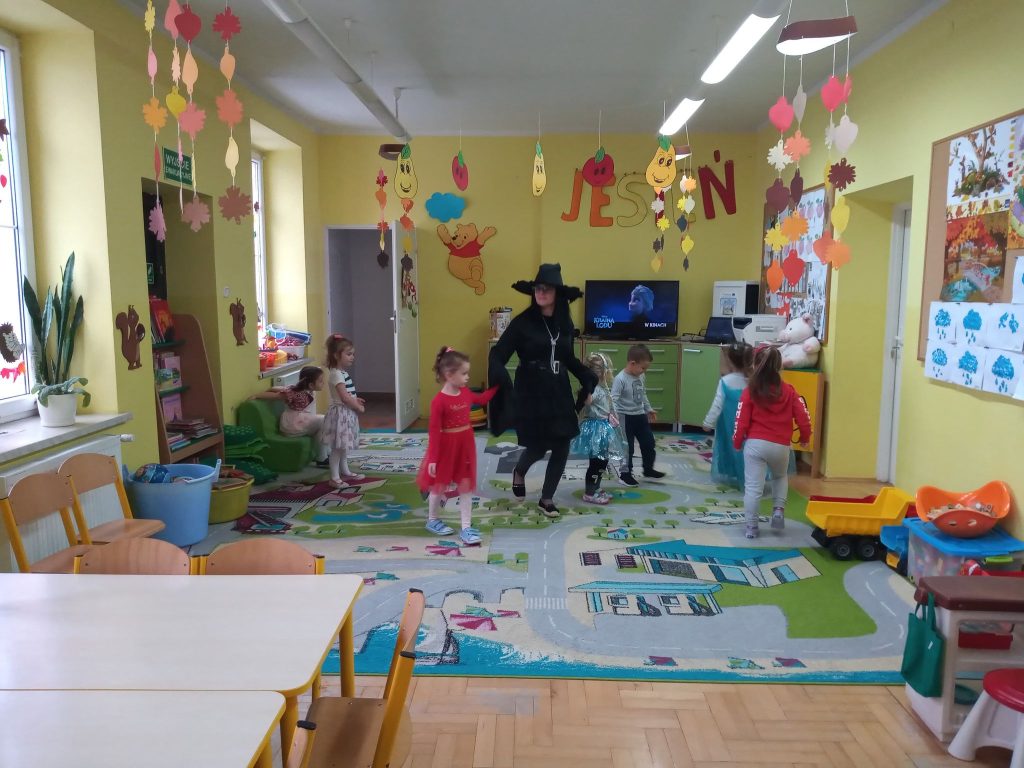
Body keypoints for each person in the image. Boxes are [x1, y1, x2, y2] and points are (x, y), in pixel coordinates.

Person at [489, 263, 597, 518]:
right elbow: (498, 354)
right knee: (537, 447)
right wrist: (501, 377)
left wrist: (586, 376)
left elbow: (568, 358)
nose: (541, 293)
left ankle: (547, 498)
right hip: (531, 390)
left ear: (557, 293)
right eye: (538, 288)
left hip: (558, 390)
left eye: (546, 289)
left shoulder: (564, 324)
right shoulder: (522, 323)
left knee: (561, 445)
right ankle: (519, 471)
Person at [417, 347, 497, 545]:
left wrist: (498, 387)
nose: (467, 377)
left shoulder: (466, 392)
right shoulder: (438, 402)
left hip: (465, 446)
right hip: (446, 448)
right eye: (464, 373)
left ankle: (466, 527)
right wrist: (433, 459)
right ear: (449, 374)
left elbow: (481, 399)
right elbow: (434, 432)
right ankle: (432, 519)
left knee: (465, 485)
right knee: (439, 485)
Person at [733, 345, 811, 539]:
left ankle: (751, 527)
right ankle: (778, 510)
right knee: (780, 476)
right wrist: (805, 437)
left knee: (753, 488)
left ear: (754, 364)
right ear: (779, 366)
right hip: (781, 446)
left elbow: (741, 420)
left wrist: (737, 442)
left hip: (755, 445)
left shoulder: (750, 391)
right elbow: (803, 417)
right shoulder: (789, 391)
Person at [571, 352, 626, 505]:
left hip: (604, 427)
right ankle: (590, 492)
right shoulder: (594, 389)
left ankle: (596, 487)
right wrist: (588, 387)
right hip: (596, 429)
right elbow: (587, 401)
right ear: (603, 372)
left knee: (602, 461)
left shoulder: (602, 387)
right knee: (596, 462)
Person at [248, 365, 329, 466]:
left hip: (301, 421)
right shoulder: (298, 394)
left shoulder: (304, 391)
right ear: (311, 385)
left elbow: (283, 389)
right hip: (292, 424)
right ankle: (321, 458)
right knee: (324, 420)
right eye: (321, 381)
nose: (323, 383)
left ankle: (323, 455)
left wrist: (272, 388)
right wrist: (257, 395)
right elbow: (277, 396)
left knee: (325, 423)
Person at [612, 344, 665, 486]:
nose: (644, 371)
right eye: (643, 368)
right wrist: (614, 417)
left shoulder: (641, 376)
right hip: (625, 417)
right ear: (632, 363)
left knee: (649, 443)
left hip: (640, 415)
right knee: (627, 448)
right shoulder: (620, 379)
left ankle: (648, 469)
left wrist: (648, 409)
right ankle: (625, 474)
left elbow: (643, 394)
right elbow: (613, 400)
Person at [702, 343, 753, 488]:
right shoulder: (753, 381)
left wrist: (708, 423)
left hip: (730, 423)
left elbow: (717, 405)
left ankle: (734, 473)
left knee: (730, 447)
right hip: (750, 423)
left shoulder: (726, 381)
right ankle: (750, 475)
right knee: (747, 448)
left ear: (729, 361)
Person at [321, 334, 366, 488]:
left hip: (346, 413)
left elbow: (348, 395)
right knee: (337, 447)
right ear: (336, 355)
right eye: (348, 354)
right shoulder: (336, 374)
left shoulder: (342, 373)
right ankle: (334, 477)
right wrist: (357, 406)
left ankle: (345, 471)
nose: (352, 357)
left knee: (343, 445)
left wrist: (356, 399)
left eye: (353, 354)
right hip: (341, 414)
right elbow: (344, 397)